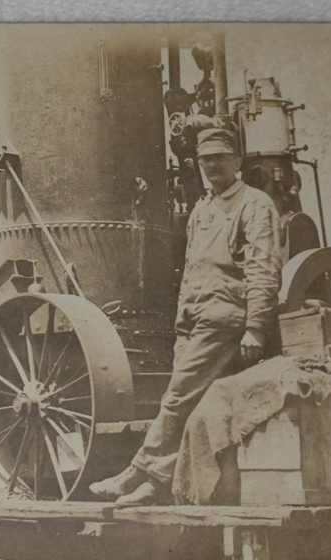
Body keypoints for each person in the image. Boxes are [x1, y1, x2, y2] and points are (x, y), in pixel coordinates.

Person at [90, 128, 283, 505]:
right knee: (193, 405)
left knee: (177, 399)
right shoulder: (203, 208)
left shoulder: (255, 204)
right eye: (205, 158)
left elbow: (264, 269)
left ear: (237, 161)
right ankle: (163, 486)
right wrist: (182, 321)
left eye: (221, 157)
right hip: (194, 320)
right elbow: (192, 270)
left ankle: (140, 473)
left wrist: (256, 327)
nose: (212, 164)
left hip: (224, 318)